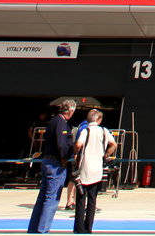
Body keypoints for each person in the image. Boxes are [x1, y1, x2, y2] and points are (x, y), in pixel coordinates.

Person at [27, 100, 76, 233]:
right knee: (52, 197)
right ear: (71, 111)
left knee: (43, 196)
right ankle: (42, 229)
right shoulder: (61, 123)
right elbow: (61, 144)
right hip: (55, 164)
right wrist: (64, 158)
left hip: (48, 161)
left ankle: (34, 228)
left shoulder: (53, 121)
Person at [71, 109, 114, 233]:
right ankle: (88, 227)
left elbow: (78, 144)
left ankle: (79, 228)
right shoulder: (104, 131)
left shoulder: (86, 131)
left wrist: (75, 152)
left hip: (85, 168)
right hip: (97, 169)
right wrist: (105, 155)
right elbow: (113, 144)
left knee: (80, 199)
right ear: (98, 120)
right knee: (92, 200)